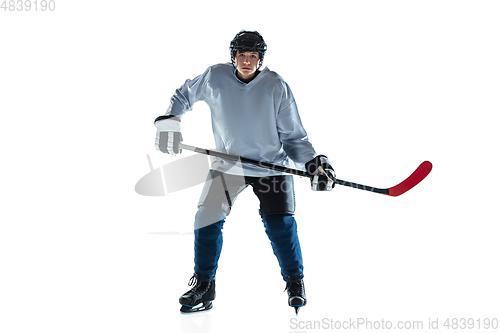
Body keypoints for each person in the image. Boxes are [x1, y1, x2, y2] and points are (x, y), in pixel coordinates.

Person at [154, 30, 335, 315]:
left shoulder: (276, 86)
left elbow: (294, 138)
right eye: (242, 55)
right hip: (228, 165)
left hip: (271, 167)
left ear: (260, 59)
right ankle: (204, 283)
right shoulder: (215, 77)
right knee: (206, 217)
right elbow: (184, 94)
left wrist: (314, 163)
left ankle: (295, 282)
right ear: (233, 56)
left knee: (280, 226)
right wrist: (169, 120)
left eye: (253, 56)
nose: (247, 61)